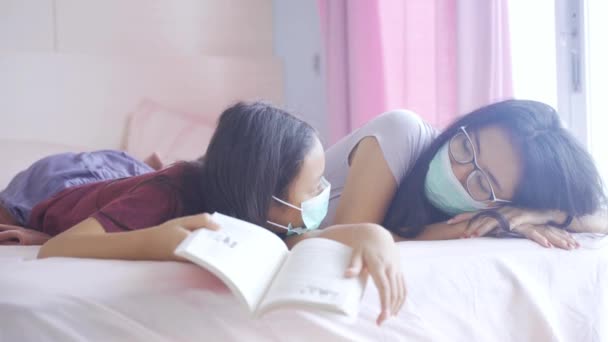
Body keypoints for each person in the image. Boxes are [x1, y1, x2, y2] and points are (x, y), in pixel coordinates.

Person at [0, 101, 403, 325]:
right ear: (263, 196)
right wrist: (156, 241)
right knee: (125, 180)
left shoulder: (258, 210)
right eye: (314, 186)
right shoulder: (168, 194)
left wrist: (369, 234)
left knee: (139, 176)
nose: (323, 194)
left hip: (137, 177)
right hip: (63, 181)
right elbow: (60, 246)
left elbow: (297, 240)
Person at [311, 99, 606, 249]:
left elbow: (601, 218)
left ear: (502, 203)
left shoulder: (489, 210)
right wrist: (464, 229)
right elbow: (345, 243)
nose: (458, 169)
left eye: (482, 182)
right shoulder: (403, 133)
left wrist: (544, 214)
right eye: (466, 146)